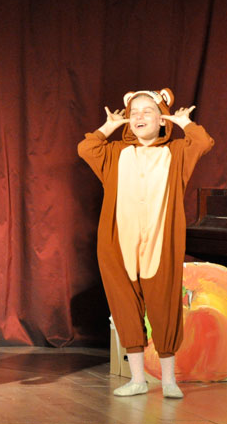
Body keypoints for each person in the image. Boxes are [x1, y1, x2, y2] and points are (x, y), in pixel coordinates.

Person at [77, 88, 213, 398]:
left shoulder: (176, 152)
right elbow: (86, 148)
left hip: (160, 244)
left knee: (164, 306)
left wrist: (183, 122)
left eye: (147, 110)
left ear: (162, 119)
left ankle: (168, 381)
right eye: (134, 112)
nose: (139, 116)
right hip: (118, 244)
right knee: (125, 307)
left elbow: (203, 142)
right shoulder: (115, 153)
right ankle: (137, 379)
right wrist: (109, 126)